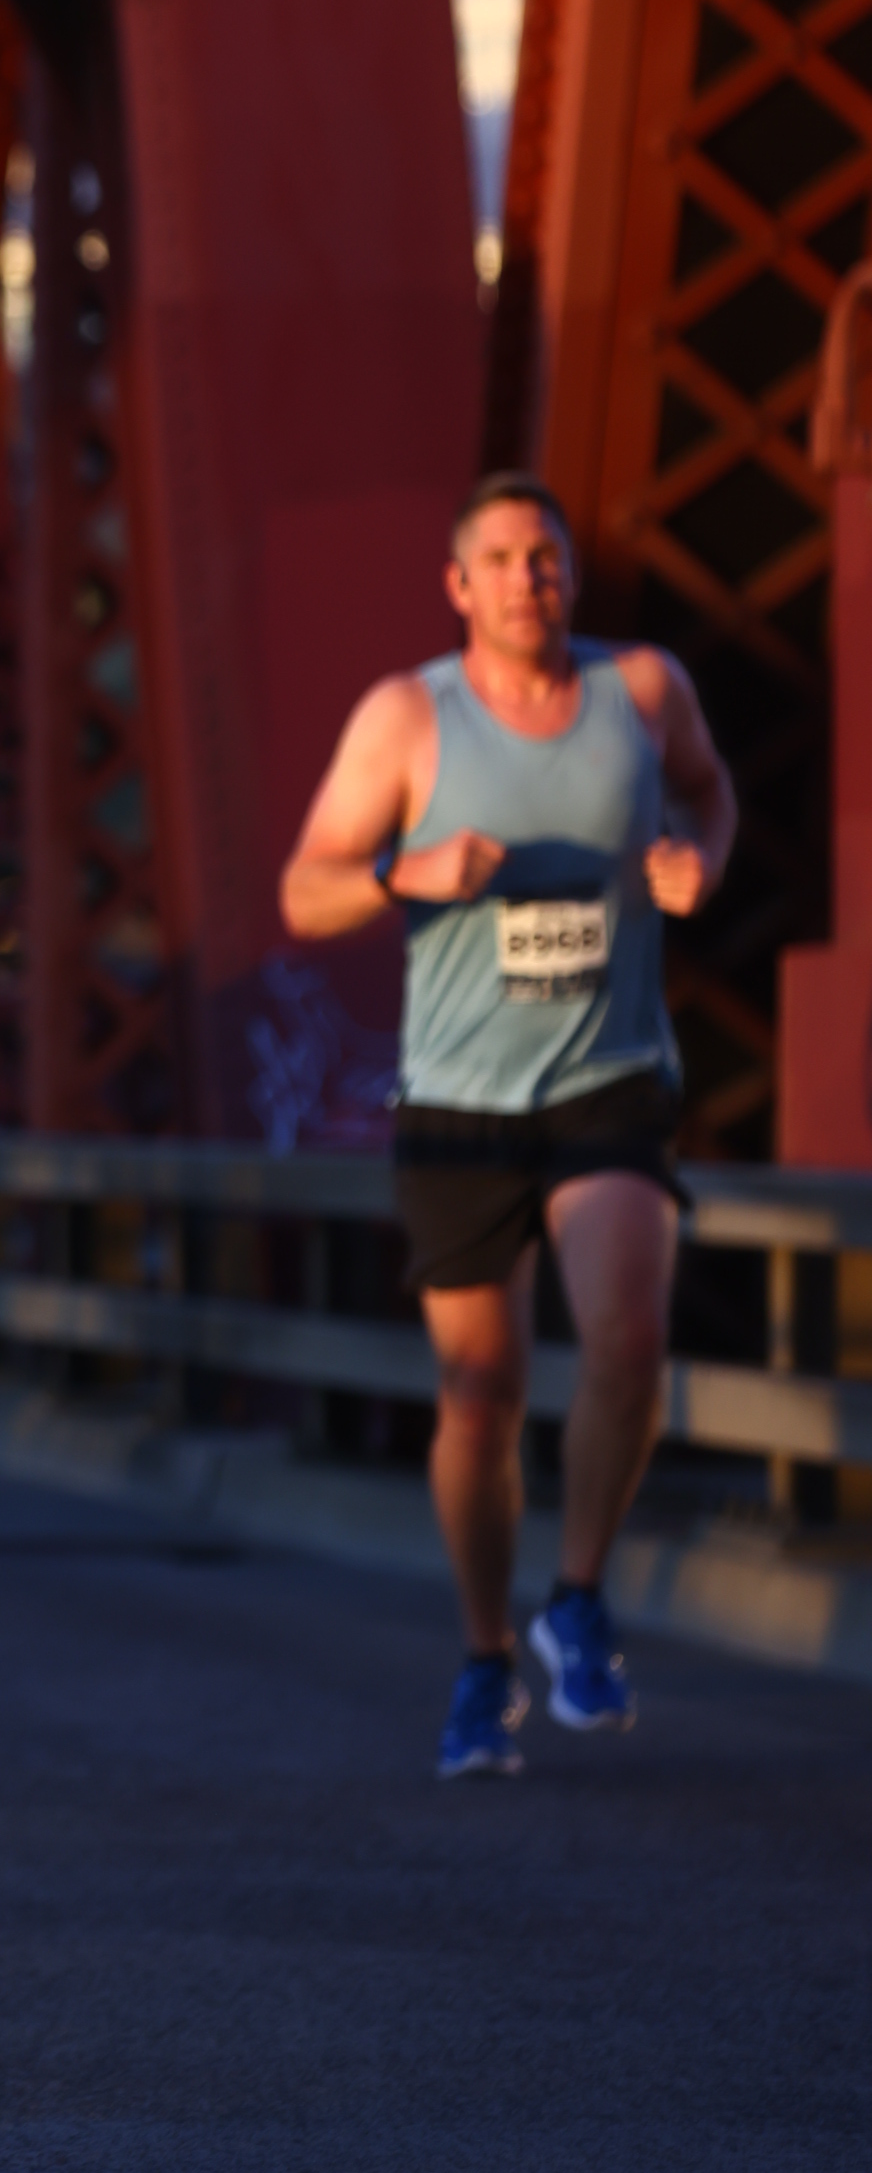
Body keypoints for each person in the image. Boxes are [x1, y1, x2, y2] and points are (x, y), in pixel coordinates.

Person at [281, 472, 737, 1777]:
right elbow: (305, 892)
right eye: (500, 561)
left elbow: (709, 794)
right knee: (480, 1392)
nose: (527, 581)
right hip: (460, 1101)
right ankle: (486, 1658)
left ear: (571, 574)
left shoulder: (642, 689)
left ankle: (577, 1598)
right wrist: (400, 873)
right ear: (458, 585)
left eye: (546, 558)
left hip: (610, 1074)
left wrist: (701, 859)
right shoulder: (405, 717)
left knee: (628, 1339)